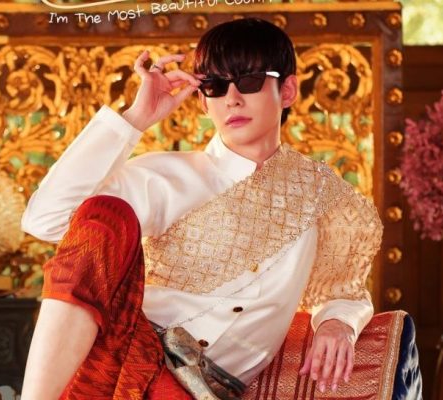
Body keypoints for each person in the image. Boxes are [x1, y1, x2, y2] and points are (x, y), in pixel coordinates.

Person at [20, 18, 383, 399]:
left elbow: (343, 290)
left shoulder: (323, 195)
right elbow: (46, 221)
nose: (232, 99)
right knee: (106, 214)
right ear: (202, 99)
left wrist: (338, 323)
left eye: (249, 81)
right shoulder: (164, 176)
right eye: (215, 86)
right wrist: (137, 118)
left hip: (202, 388)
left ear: (288, 90)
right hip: (122, 359)